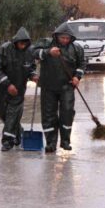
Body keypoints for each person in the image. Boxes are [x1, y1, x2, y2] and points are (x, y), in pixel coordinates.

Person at [33, 22, 85, 153]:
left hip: (67, 87)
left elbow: (82, 64)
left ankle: (65, 141)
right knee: (48, 114)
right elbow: (32, 52)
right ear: (57, 36)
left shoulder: (77, 48)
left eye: (67, 38)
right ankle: (50, 142)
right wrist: (47, 52)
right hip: (48, 86)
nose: (65, 40)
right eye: (62, 38)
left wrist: (77, 77)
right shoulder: (46, 43)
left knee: (67, 113)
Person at [0, 27, 38, 151]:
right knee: (1, 113)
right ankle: (19, 131)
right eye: (21, 43)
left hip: (18, 90)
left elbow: (32, 67)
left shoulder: (30, 51)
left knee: (12, 115)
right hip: (2, 88)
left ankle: (7, 141)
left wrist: (33, 75)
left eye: (25, 43)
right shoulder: (5, 49)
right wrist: (8, 85)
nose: (23, 45)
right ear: (16, 41)